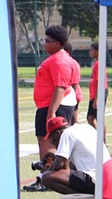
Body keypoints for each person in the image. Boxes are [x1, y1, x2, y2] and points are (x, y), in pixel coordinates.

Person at [31, 25, 80, 171]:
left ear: (57, 43)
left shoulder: (60, 61)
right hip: (52, 105)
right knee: (52, 140)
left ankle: (47, 176)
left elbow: (60, 86)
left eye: (47, 41)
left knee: (49, 140)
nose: (44, 43)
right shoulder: (59, 59)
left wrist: (51, 112)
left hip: (53, 106)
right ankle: (51, 175)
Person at [41, 113, 109, 196]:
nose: (54, 144)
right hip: (106, 176)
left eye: (53, 140)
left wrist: (47, 170)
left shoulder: (66, 134)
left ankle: (82, 198)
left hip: (93, 178)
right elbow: (70, 168)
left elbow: (59, 164)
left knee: (46, 178)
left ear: (58, 134)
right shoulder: (86, 127)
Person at [86, 40, 106, 123]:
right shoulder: (96, 63)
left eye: (91, 50)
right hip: (94, 93)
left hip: (98, 93)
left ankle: (102, 136)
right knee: (90, 118)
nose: (89, 52)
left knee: (99, 118)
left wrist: (97, 99)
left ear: (97, 51)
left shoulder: (98, 64)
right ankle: (97, 135)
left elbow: (100, 83)